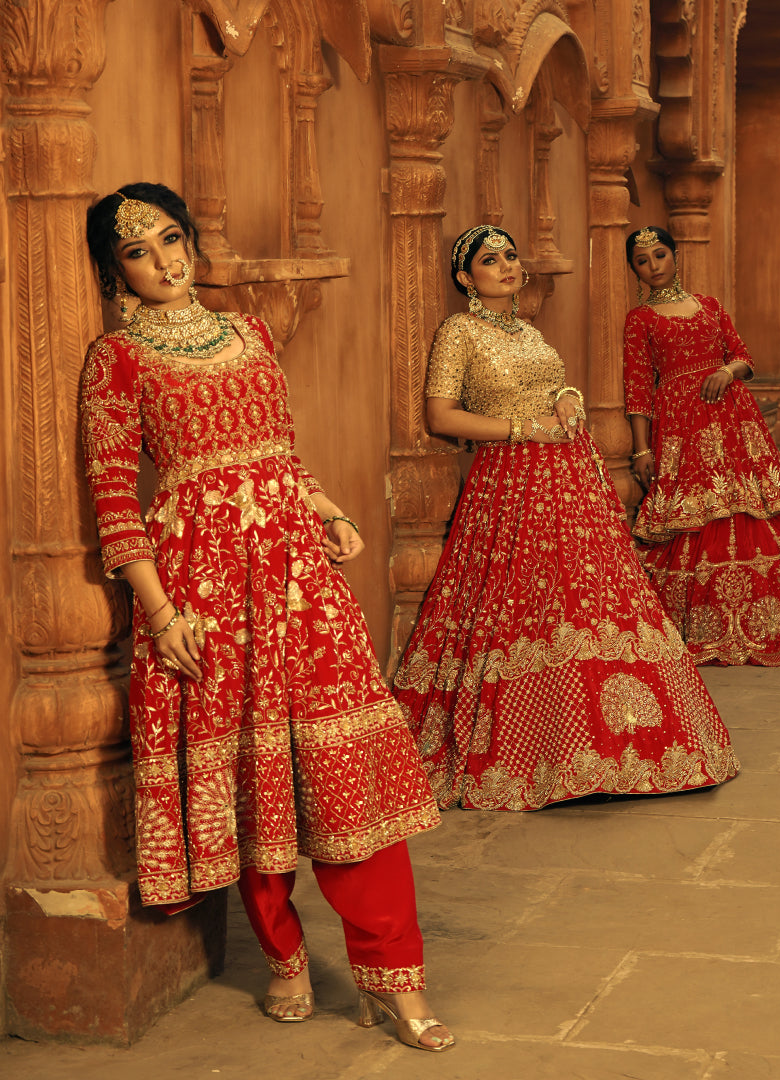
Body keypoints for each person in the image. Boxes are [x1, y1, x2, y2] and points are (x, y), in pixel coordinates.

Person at [79, 183, 452, 1051]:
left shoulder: (249, 332)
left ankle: (395, 978)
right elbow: (113, 497)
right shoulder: (115, 359)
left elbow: (281, 444)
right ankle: (282, 956)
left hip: (295, 575)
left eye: (173, 239)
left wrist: (323, 509)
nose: (166, 261)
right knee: (254, 775)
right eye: (140, 250)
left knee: (343, 764)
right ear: (114, 268)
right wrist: (160, 610)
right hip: (201, 584)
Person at [392, 224, 739, 811]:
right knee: (523, 601)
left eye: (510, 254)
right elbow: (441, 416)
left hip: (570, 478)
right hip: (510, 479)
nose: (506, 265)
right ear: (464, 278)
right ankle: (544, 746)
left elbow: (551, 384)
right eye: (489, 259)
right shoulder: (459, 331)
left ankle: (618, 743)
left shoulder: (527, 330)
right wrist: (525, 429)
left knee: (589, 598)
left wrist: (567, 397)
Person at [622, 225, 780, 666]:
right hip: (680, 425)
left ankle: (776, 621)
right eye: (642, 260)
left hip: (732, 420)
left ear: (675, 256)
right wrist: (641, 450)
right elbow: (637, 388)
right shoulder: (641, 320)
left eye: (659, 255)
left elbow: (746, 357)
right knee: (695, 514)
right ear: (634, 269)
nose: (653, 266)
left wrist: (727, 371)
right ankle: (702, 623)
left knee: (749, 508)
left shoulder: (709, 305)